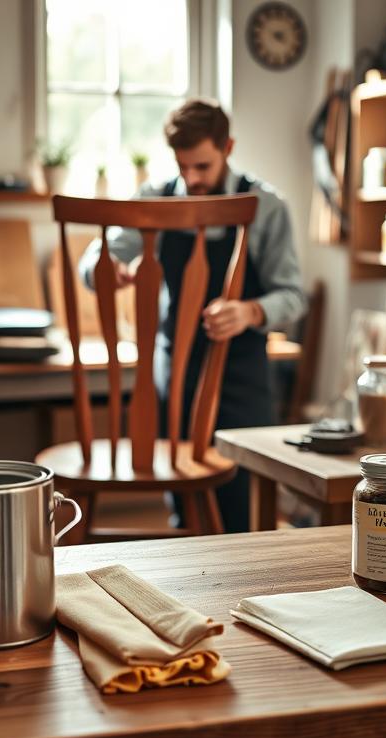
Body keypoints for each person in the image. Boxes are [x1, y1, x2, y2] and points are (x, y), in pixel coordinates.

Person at [79, 98, 306, 532]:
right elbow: (92, 263)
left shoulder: (267, 206)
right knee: (184, 501)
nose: (192, 179)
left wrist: (250, 310)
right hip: (175, 371)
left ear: (228, 146)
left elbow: (293, 296)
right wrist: (106, 270)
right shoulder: (156, 200)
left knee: (241, 508)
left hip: (242, 372)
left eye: (202, 166)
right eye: (183, 167)